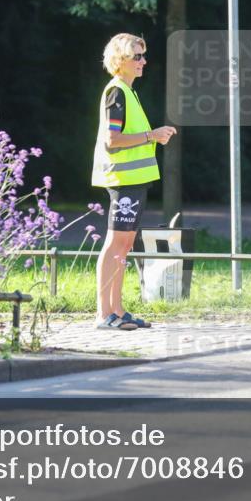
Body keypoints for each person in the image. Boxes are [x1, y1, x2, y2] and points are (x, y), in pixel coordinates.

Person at [91, 33, 176, 330]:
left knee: (123, 247)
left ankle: (118, 309)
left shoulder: (128, 92)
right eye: (137, 56)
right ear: (120, 60)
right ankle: (104, 314)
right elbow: (113, 140)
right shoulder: (116, 92)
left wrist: (153, 135)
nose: (143, 61)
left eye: (143, 55)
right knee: (115, 245)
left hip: (134, 180)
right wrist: (152, 135)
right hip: (123, 180)